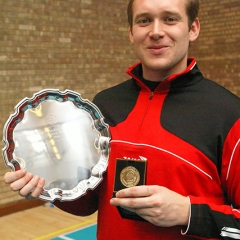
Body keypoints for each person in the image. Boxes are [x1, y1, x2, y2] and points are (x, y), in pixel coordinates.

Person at [4, 0, 240, 239]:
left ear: (193, 29)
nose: (156, 31)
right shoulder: (104, 106)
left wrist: (189, 214)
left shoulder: (229, 114)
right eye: (144, 20)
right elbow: (88, 202)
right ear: (131, 32)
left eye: (170, 19)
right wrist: (47, 187)